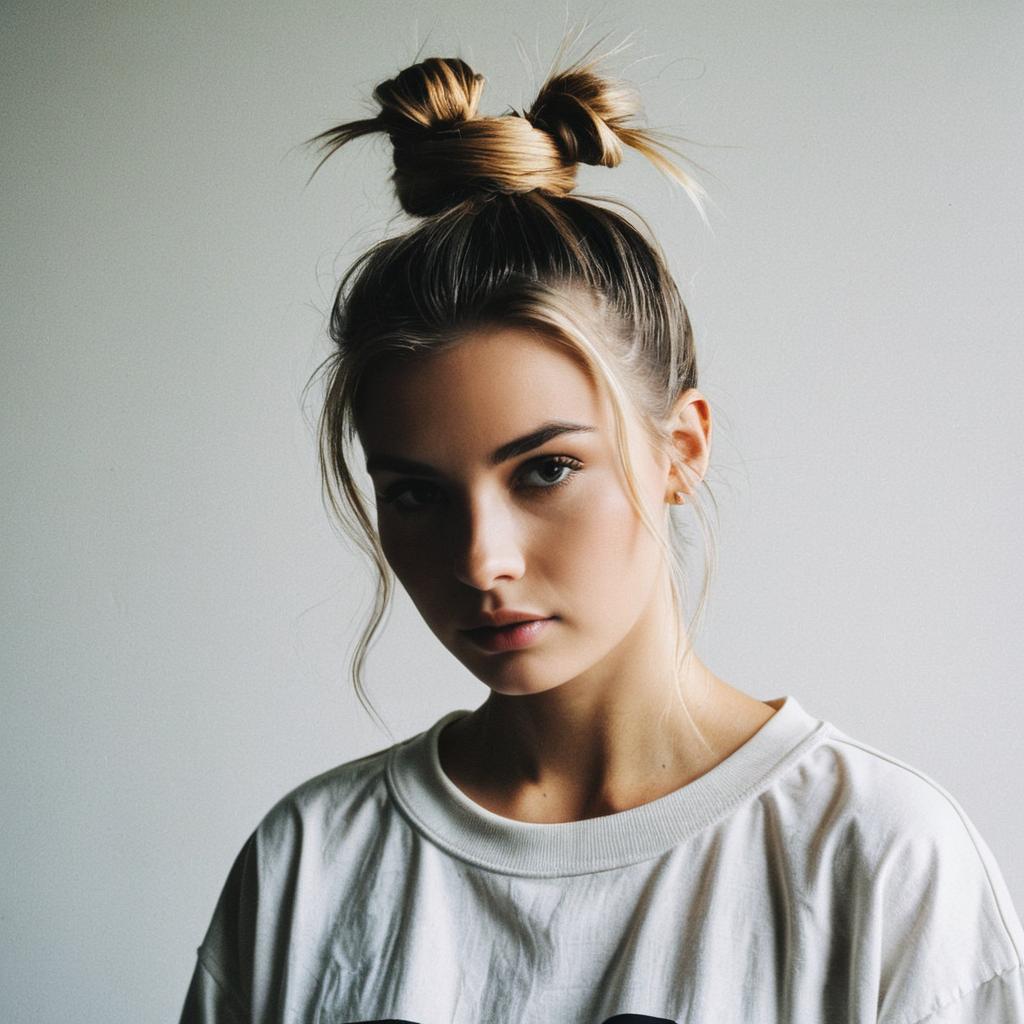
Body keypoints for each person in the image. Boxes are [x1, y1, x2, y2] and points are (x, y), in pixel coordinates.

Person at [178, 46, 1024, 1024]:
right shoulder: (310, 863)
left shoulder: (878, 858)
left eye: (545, 469)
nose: (481, 560)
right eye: (415, 495)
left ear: (681, 450)